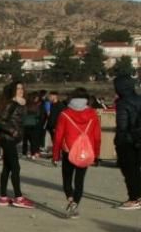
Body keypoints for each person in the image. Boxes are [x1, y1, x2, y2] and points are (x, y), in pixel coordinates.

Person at [52, 88, 101, 219]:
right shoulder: (93, 114)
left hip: (68, 151)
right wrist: (96, 155)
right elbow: (97, 137)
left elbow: (58, 136)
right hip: (85, 152)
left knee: (67, 178)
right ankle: (75, 203)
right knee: (79, 180)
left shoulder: (65, 114)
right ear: (86, 99)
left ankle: (70, 199)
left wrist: (55, 155)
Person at [0, 82, 35, 208]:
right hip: (8, 139)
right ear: (12, 90)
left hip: (11, 139)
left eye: (22, 88)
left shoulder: (20, 103)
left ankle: (3, 197)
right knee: (15, 168)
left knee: (7, 168)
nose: (21, 90)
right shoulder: (12, 103)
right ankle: (18, 197)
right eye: (18, 88)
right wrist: (13, 131)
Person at [113, 75, 141, 209]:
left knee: (130, 171)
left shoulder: (123, 103)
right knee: (137, 170)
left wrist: (118, 140)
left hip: (127, 141)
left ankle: (134, 198)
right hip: (139, 139)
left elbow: (122, 126)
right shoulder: (139, 99)